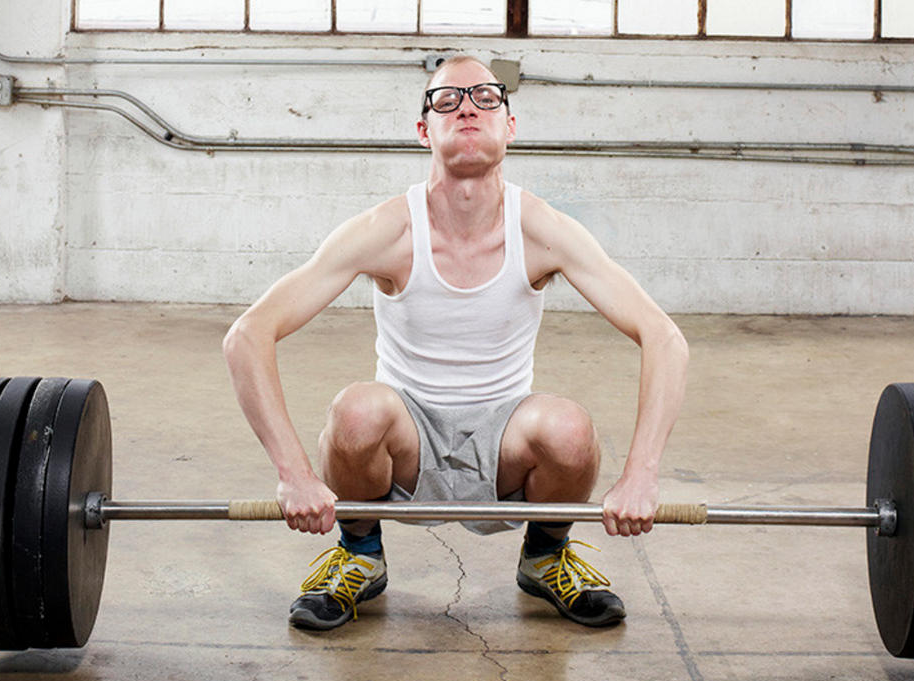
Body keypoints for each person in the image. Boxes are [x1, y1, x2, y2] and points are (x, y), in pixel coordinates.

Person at [223, 55, 689, 631]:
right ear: (425, 131)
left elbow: (664, 338)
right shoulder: (388, 230)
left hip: (505, 441)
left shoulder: (541, 230)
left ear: (510, 126)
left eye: (486, 98)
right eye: (447, 100)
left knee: (570, 429)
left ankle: (545, 556)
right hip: (406, 441)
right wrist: (294, 473)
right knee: (356, 411)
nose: (467, 107)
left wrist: (641, 473)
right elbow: (248, 335)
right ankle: (359, 553)